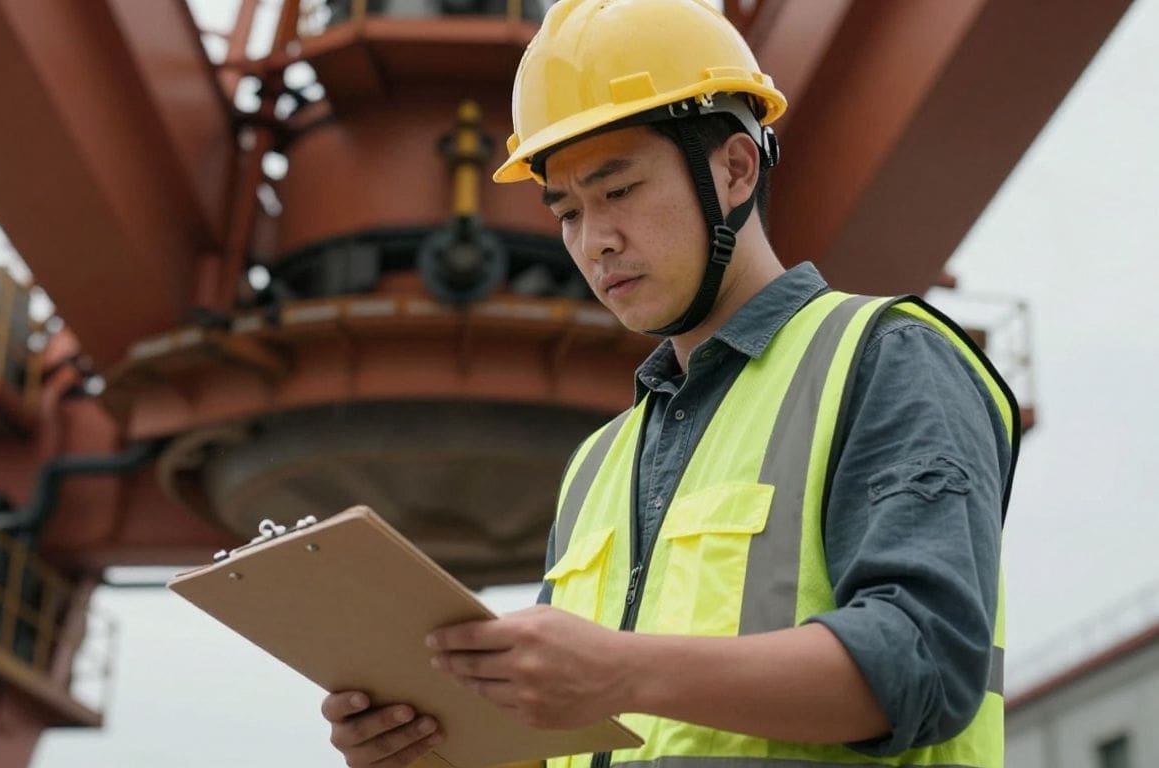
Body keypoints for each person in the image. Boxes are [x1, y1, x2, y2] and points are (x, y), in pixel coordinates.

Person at [321, 0, 1020, 765]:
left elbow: (926, 661)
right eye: (568, 211)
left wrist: (622, 671)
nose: (596, 242)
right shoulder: (596, 466)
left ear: (734, 168)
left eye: (618, 191)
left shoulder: (884, 358)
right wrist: (429, 751)